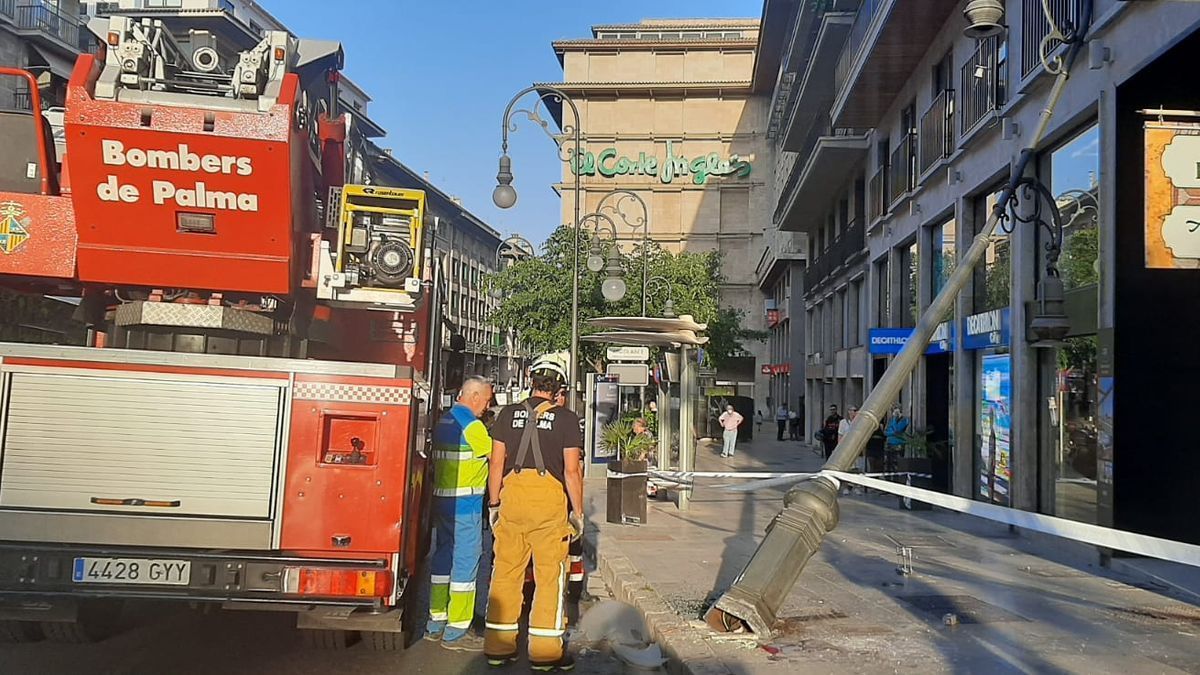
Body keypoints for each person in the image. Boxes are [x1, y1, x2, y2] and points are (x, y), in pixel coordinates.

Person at [484, 371, 584, 672]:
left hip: (512, 501)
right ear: (558, 389)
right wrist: (578, 513)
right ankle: (545, 652)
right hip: (548, 507)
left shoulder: (507, 415)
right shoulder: (566, 419)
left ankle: (498, 648)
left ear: (532, 383)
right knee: (549, 577)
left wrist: (494, 504)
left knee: (505, 573)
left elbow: (497, 462)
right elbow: (571, 471)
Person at [426, 377, 494, 651]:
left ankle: (436, 620)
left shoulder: (444, 422)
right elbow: (498, 455)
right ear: (474, 396)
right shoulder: (473, 427)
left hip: (442, 503)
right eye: (487, 400)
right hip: (466, 505)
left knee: (443, 560)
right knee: (466, 563)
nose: (488, 406)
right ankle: (458, 628)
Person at [838, 406, 863, 495]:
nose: (854, 412)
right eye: (852, 410)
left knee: (857, 469)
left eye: (855, 411)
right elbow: (840, 435)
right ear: (848, 412)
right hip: (846, 448)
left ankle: (856, 486)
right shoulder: (843, 422)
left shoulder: (859, 422)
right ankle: (846, 487)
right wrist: (839, 447)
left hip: (856, 447)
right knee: (846, 468)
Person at [884, 406, 910, 476]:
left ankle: (898, 479)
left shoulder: (905, 420)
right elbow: (886, 432)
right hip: (889, 444)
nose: (895, 413)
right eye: (894, 411)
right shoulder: (890, 420)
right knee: (888, 464)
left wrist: (895, 419)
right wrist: (892, 433)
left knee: (897, 464)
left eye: (896, 412)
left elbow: (897, 430)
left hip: (898, 445)